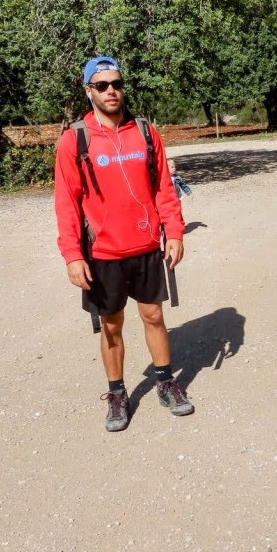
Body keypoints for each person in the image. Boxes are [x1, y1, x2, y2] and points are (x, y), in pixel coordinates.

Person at [54, 55, 194, 432]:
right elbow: (66, 202)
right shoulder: (74, 140)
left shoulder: (145, 132)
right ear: (89, 91)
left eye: (116, 83)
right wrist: (72, 255)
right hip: (103, 254)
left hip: (146, 247)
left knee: (154, 316)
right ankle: (117, 393)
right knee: (111, 327)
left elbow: (164, 186)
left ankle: (165, 381)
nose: (111, 91)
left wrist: (175, 231)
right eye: (102, 86)